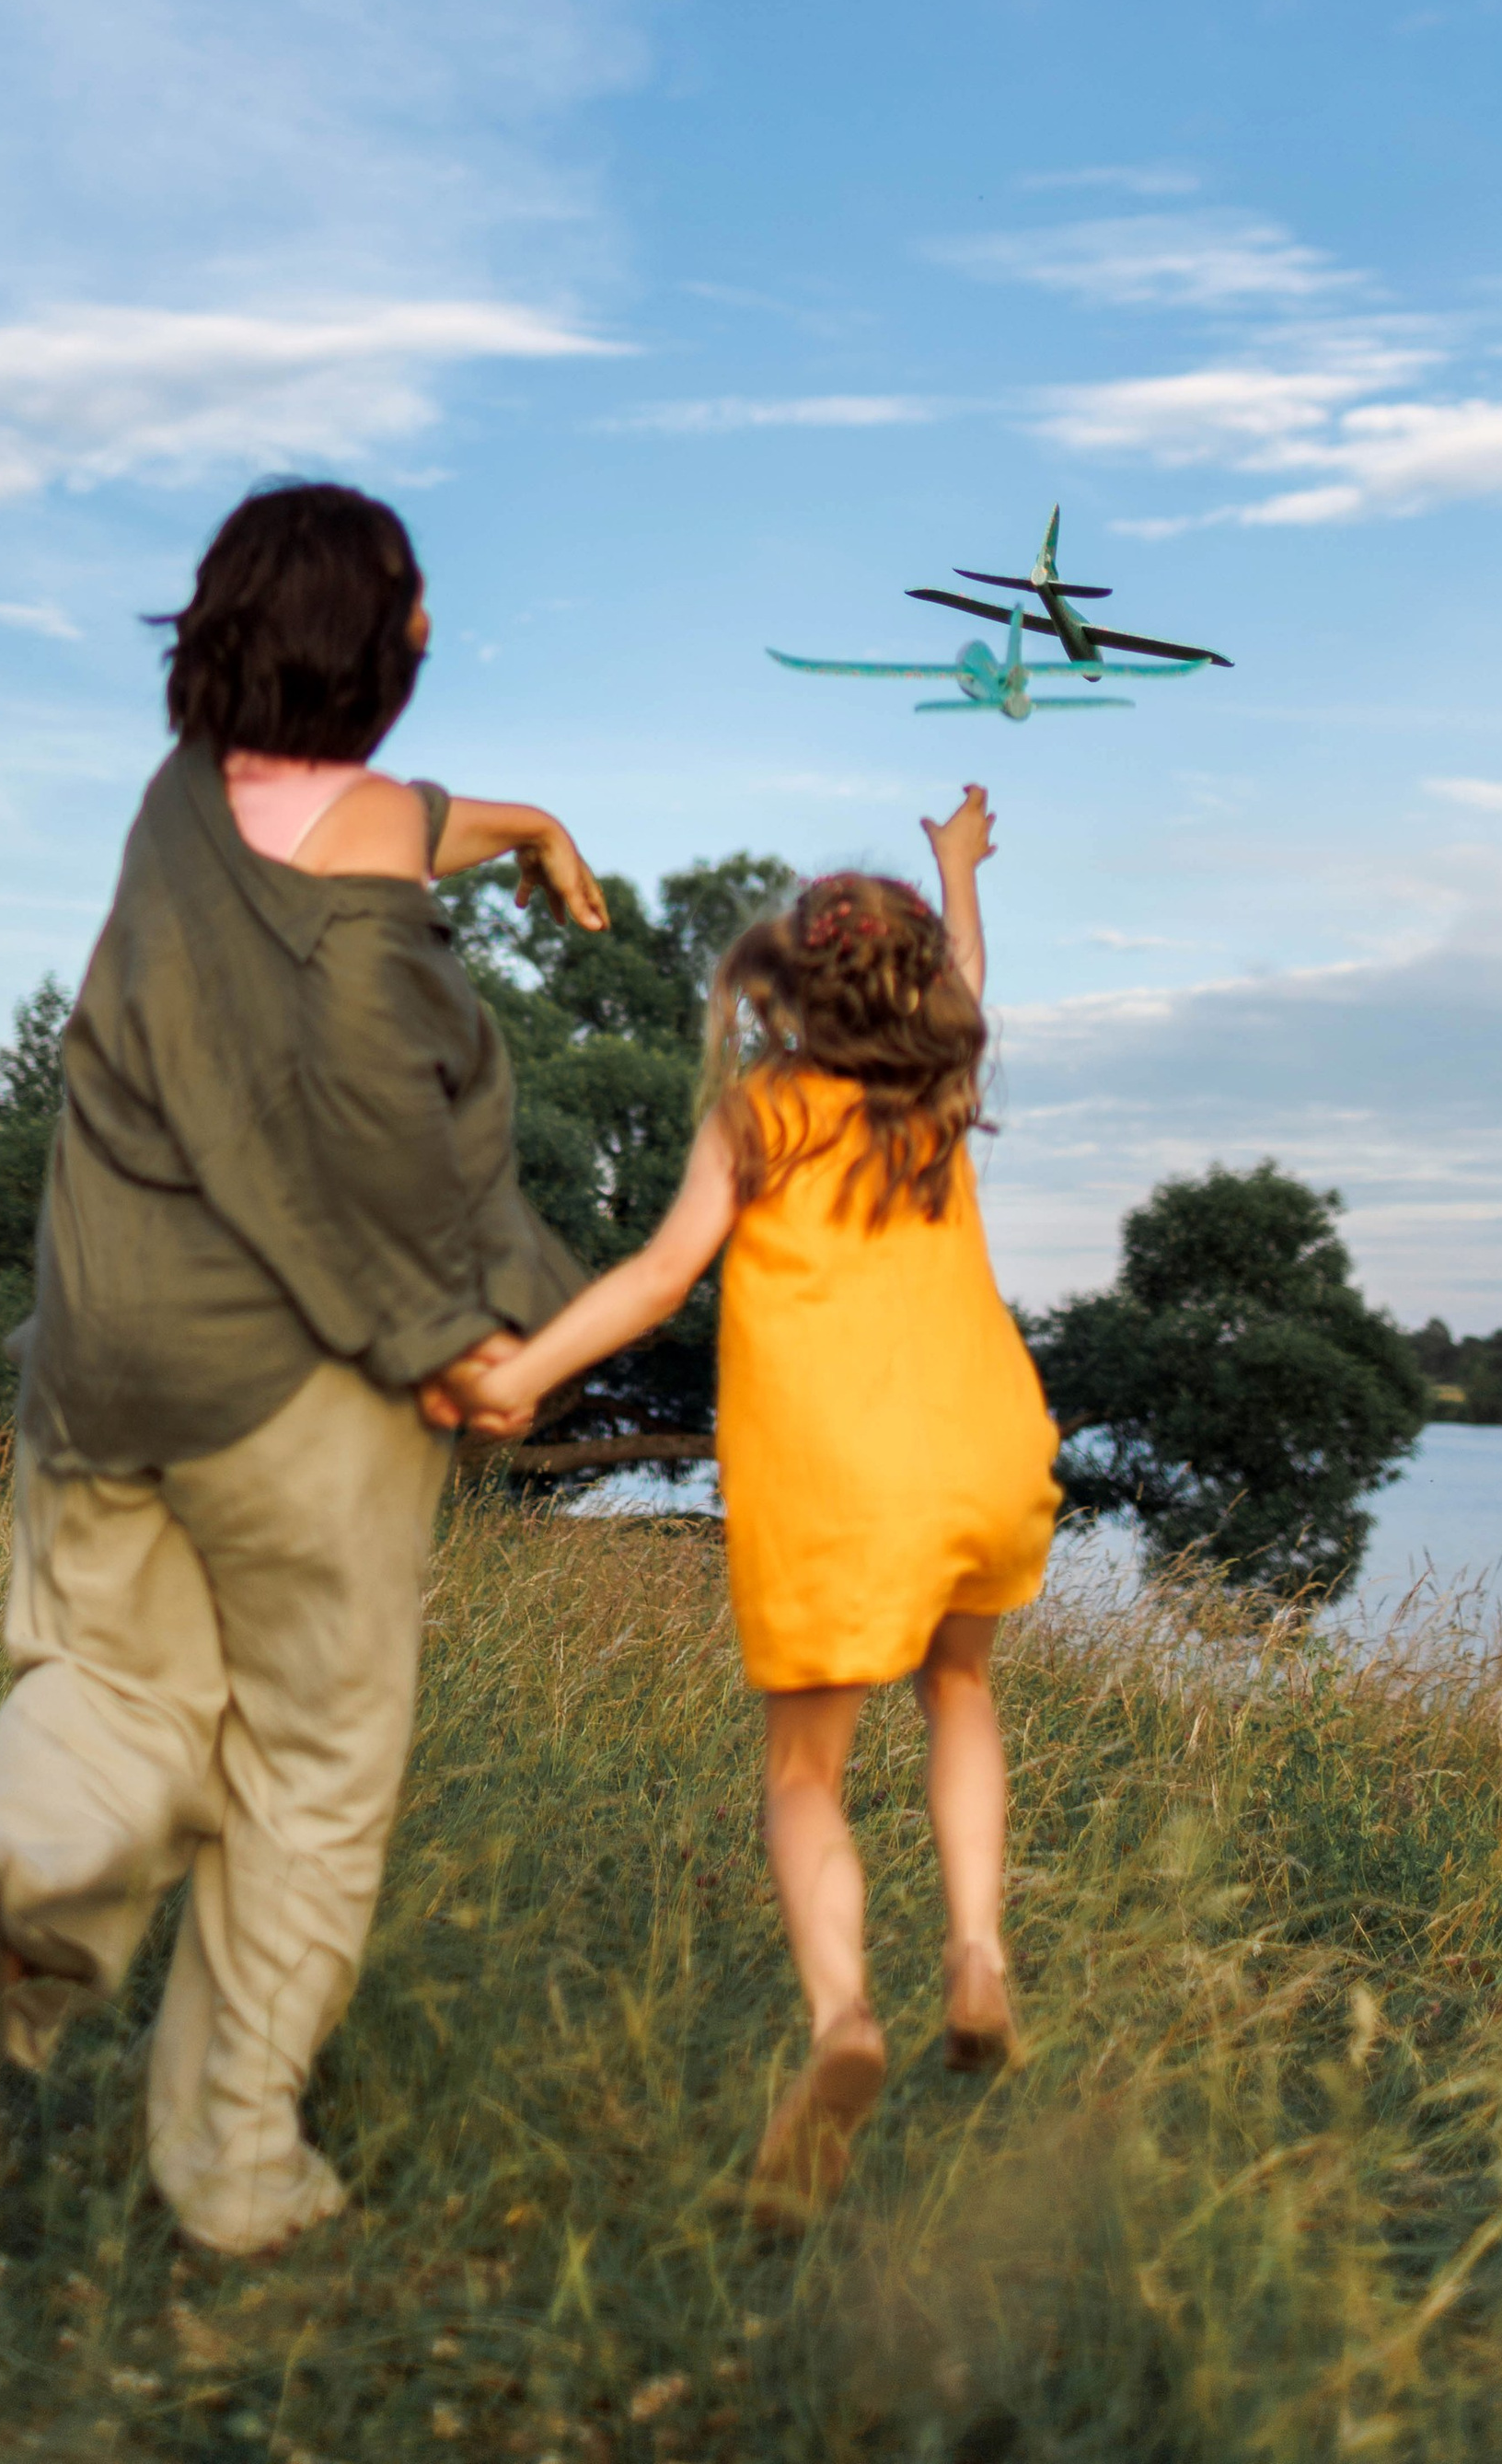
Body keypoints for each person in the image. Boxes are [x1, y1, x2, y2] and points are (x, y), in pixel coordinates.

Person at [0, 480, 572, 2257]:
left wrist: (528, 825)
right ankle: (236, 2171)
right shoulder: (364, 946)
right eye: (417, 613)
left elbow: (373, 816)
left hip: (102, 1366)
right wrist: (482, 1346)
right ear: (390, 643)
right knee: (313, 1765)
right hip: (290, 1396)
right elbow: (375, 1150)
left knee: (110, 1692)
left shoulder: (175, 816)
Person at [460, 786, 1059, 2218]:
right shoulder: (944, 1089)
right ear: (915, 995)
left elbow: (661, 1278)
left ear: (785, 988)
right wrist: (961, 868)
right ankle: (977, 1954)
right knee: (961, 1692)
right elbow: (967, 980)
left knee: (806, 1776)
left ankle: (845, 2018)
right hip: (986, 1441)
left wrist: (520, 1378)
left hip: (836, 1476)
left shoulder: (760, 1112)